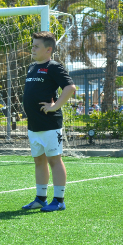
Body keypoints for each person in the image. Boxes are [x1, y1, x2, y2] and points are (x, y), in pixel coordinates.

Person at [22, 31, 76, 212]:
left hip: (50, 125)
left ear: (48, 50)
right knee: (39, 161)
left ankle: (59, 200)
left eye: (37, 46)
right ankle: (40, 198)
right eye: (33, 45)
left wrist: (55, 106)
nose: (33, 48)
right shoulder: (32, 67)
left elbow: (70, 87)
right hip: (34, 125)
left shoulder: (53, 67)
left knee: (54, 160)